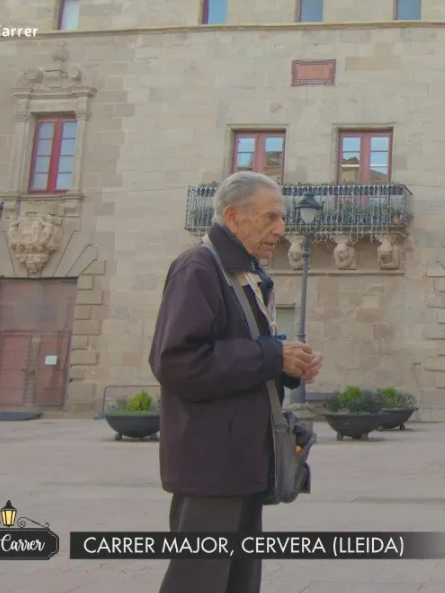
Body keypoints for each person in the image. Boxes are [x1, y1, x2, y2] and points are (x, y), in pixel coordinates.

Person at [149, 171, 323, 593]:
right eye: (270, 217)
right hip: (211, 464)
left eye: (281, 218)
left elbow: (237, 354)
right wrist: (269, 354)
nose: (280, 229)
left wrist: (284, 363)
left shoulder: (244, 274)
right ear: (233, 216)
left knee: (239, 582)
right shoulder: (198, 268)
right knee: (200, 580)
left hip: (242, 459)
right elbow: (177, 362)